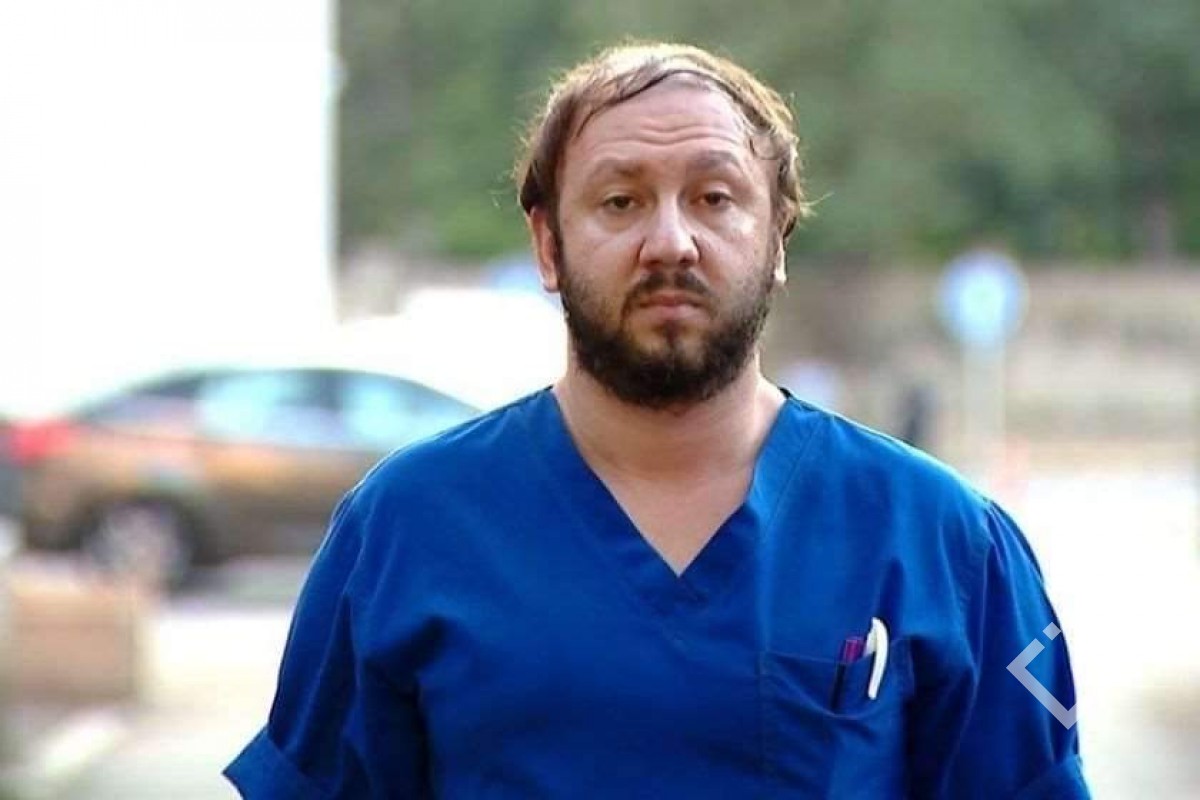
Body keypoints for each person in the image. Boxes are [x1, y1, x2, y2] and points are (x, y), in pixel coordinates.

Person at [225, 42, 1090, 798]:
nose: (671, 241)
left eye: (714, 198)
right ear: (548, 244)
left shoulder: (942, 542)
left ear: (778, 237)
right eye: (620, 201)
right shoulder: (405, 528)